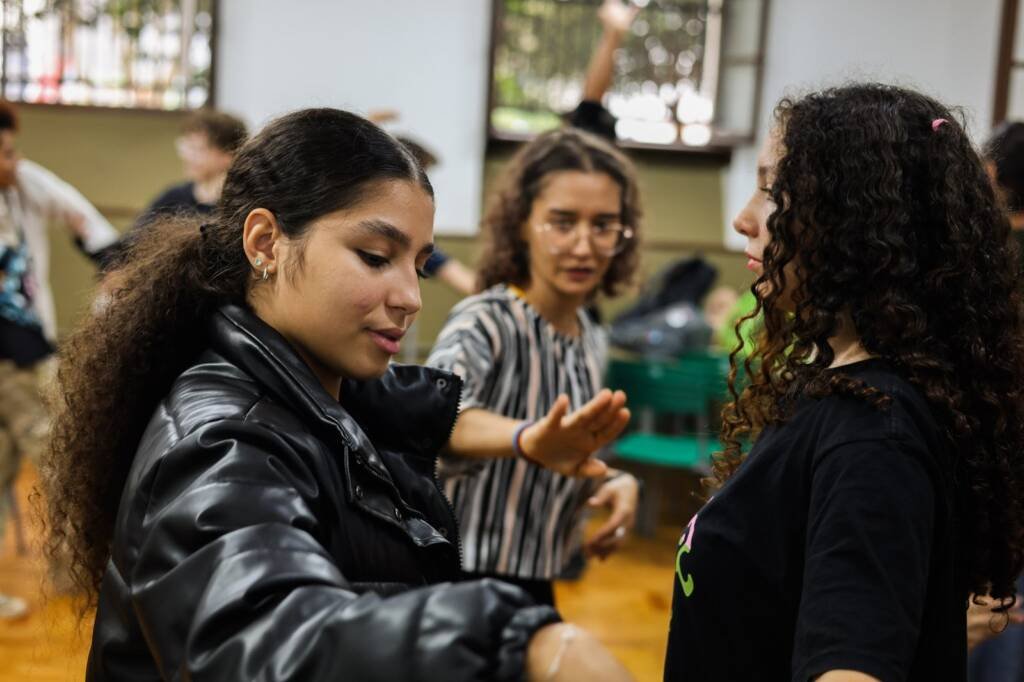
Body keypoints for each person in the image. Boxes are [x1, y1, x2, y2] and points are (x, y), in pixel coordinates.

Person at [40, 108, 632, 682]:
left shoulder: (330, 388)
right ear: (266, 242)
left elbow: (424, 411)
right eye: (375, 257)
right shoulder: (220, 441)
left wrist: (536, 444)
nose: (410, 297)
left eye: (419, 266)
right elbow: (267, 642)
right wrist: (511, 639)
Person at [664, 84, 1024, 681]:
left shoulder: (873, 438)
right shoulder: (840, 393)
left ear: (857, 221)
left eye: (772, 191)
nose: (744, 219)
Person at [427, 128, 640, 607]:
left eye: (603, 225)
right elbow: (441, 415)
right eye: (562, 223)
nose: (584, 246)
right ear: (522, 223)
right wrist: (527, 437)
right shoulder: (486, 318)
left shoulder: (591, 335)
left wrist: (614, 481)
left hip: (539, 575)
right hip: (461, 576)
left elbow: (566, 451)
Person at [0, 99, 117, 619]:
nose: (14, 162)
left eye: (12, 151)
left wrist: (113, 268)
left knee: (58, 459)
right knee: (58, 457)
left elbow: (85, 219)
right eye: (4, 153)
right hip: (16, 361)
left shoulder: (24, 184)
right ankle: (74, 571)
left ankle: (72, 571)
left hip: (27, 352)